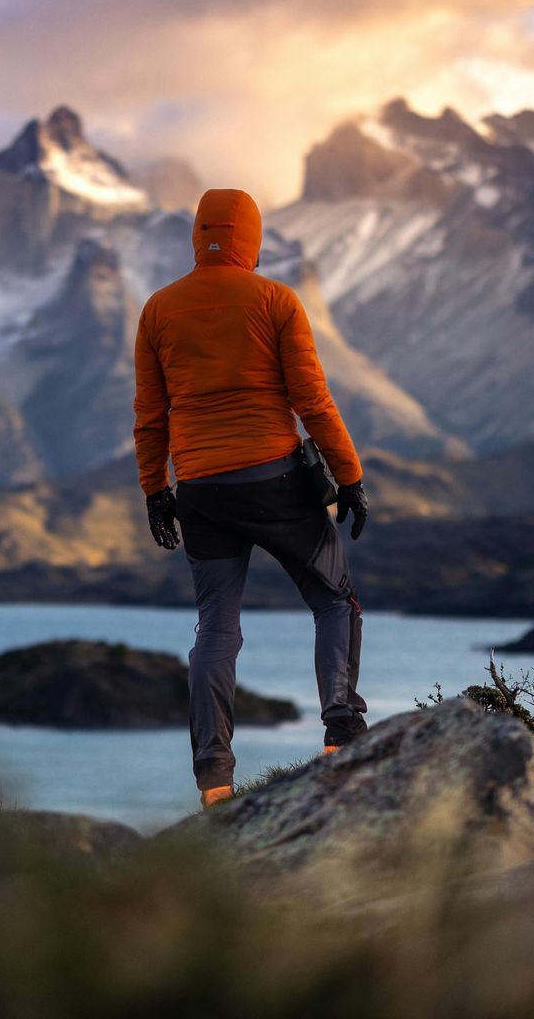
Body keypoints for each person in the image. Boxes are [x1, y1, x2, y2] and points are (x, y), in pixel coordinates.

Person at [133, 187, 370, 809]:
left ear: (199, 236)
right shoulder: (275, 300)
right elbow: (312, 401)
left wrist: (157, 493)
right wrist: (349, 478)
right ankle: (342, 735)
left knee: (216, 629)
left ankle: (214, 778)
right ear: (252, 240)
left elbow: (150, 417)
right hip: (275, 481)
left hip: (201, 491)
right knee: (333, 600)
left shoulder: (158, 309)